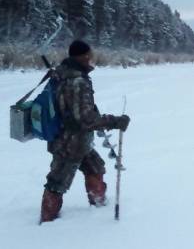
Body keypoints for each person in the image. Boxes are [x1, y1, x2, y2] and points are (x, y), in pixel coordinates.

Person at [40, 40, 130, 224]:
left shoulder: (64, 73)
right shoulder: (77, 81)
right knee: (57, 181)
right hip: (69, 142)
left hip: (78, 140)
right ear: (83, 56)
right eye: (89, 54)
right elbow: (84, 119)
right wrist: (114, 121)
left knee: (95, 167)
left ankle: (98, 202)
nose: (92, 57)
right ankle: (46, 219)